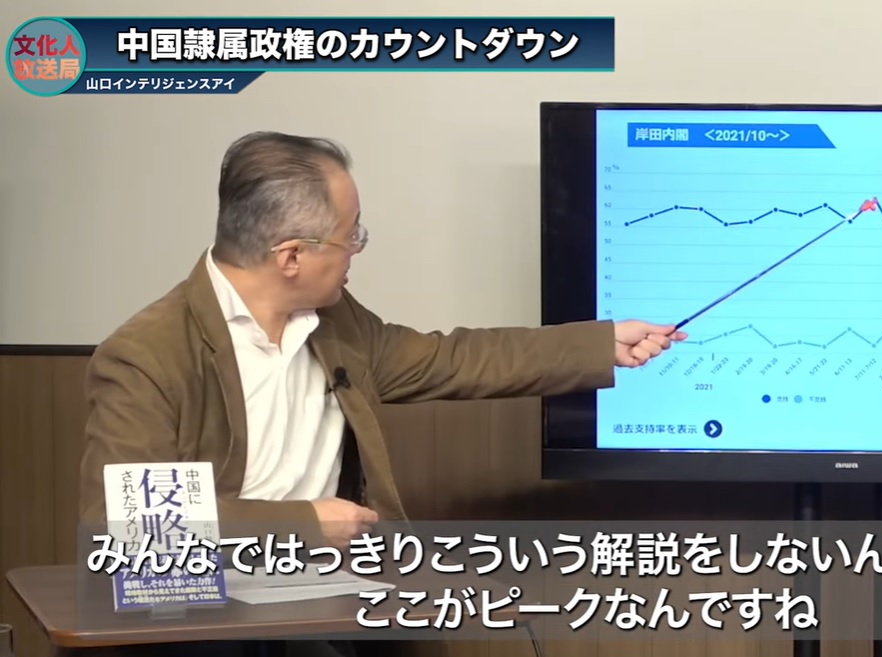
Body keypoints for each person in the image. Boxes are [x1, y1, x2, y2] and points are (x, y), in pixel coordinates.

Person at [77, 132, 686, 656]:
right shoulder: (149, 355)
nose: (358, 249)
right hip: (206, 615)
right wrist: (302, 525)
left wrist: (602, 343)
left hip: (325, 594)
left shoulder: (336, 321)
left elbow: (451, 359)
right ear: (291, 256)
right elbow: (122, 529)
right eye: (351, 235)